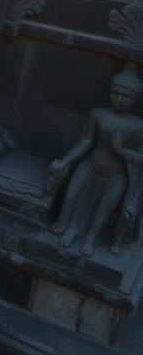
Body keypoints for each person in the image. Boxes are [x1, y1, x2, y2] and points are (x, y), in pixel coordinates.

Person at [48, 65, 143, 256]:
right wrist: (66, 160)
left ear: (136, 98)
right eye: (114, 93)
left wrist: (121, 150)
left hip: (116, 175)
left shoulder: (138, 125)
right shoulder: (98, 114)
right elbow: (85, 141)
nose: (118, 98)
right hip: (91, 164)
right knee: (71, 196)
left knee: (104, 209)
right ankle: (71, 229)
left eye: (125, 96)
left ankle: (91, 237)